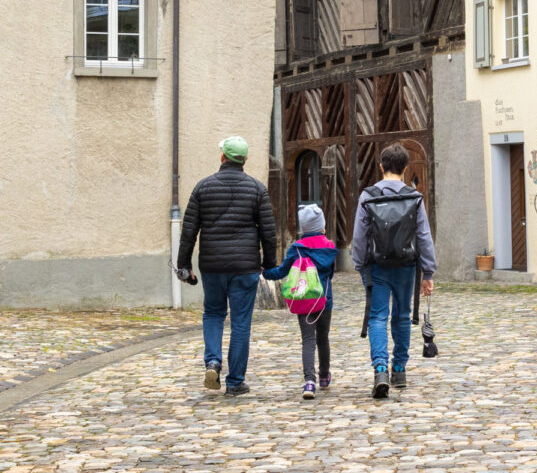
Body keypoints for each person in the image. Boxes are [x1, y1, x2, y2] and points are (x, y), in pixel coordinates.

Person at [176, 135, 276, 397]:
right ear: (244, 159)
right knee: (241, 322)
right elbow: (269, 231)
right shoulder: (257, 189)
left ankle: (212, 361)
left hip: (212, 264)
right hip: (245, 266)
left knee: (213, 313)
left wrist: (184, 266)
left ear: (222, 157)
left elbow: (189, 231)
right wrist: (269, 264)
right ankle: (235, 382)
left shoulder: (203, 187)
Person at [352, 143, 436, 399]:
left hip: (377, 266)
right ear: (405, 168)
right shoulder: (414, 197)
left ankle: (380, 369)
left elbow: (359, 236)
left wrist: (360, 264)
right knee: (401, 316)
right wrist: (428, 272)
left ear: (381, 166)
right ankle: (399, 369)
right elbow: (423, 236)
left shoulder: (368, 196)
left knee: (377, 317)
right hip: (406, 266)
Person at [262, 204, 337, 399]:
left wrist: (265, 272)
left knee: (308, 340)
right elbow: (331, 274)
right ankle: (323, 376)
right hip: (324, 299)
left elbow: (282, 271)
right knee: (323, 339)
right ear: (321, 226)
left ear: (303, 228)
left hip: (303, 298)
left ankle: (309, 382)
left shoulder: (297, 248)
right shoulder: (329, 247)